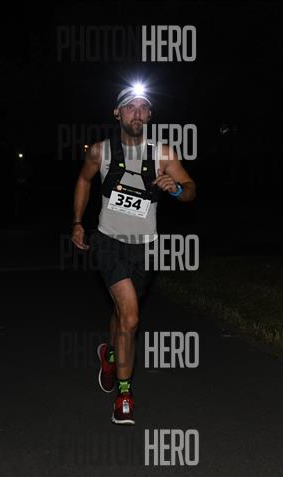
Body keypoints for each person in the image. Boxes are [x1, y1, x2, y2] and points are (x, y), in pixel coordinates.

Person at [71, 84, 196, 425]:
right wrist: (78, 223)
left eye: (143, 107)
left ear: (150, 115)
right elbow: (83, 181)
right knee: (130, 317)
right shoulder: (101, 151)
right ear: (117, 113)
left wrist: (177, 190)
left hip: (146, 247)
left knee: (122, 313)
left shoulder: (163, 154)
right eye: (130, 107)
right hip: (108, 242)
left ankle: (110, 355)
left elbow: (191, 190)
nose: (136, 113)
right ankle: (124, 395)